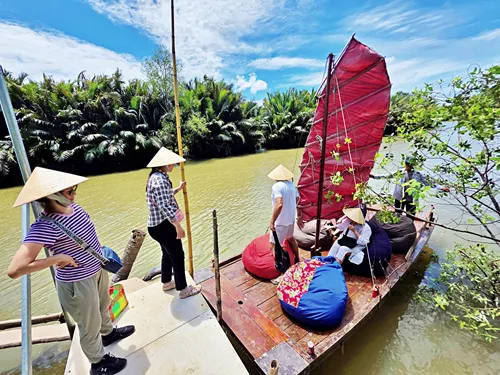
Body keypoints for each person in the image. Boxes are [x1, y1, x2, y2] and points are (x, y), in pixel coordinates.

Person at [7, 167, 134, 375]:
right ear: (53, 196)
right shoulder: (44, 226)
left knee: (103, 306)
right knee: (88, 323)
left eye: (74, 189)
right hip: (78, 281)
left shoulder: (75, 208)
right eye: (69, 192)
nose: (75, 194)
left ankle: (108, 333)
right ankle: (98, 361)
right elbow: (15, 269)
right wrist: (56, 258)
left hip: (96, 270)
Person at [146, 147, 201, 298]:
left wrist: (177, 188)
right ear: (163, 164)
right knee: (177, 255)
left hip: (156, 226)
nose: (174, 166)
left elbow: (163, 196)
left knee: (167, 253)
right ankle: (183, 290)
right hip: (164, 226)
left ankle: (166, 282)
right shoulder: (160, 180)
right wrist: (178, 227)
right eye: (172, 164)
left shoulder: (156, 177)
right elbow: (165, 206)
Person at [370, 156, 449, 215]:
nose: (409, 166)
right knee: (397, 214)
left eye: (411, 164)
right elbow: (388, 176)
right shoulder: (400, 172)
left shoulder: (418, 174)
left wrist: (441, 188)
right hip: (399, 197)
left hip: (411, 198)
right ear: (405, 164)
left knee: (410, 215)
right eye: (408, 164)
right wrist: (374, 176)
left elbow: (429, 183)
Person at [268, 164, 300, 263]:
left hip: (280, 222)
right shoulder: (292, 185)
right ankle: (297, 259)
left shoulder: (276, 186)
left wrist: (272, 221)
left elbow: (279, 204)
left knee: (273, 245)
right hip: (290, 219)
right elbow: (297, 199)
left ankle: (280, 269)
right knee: (290, 238)